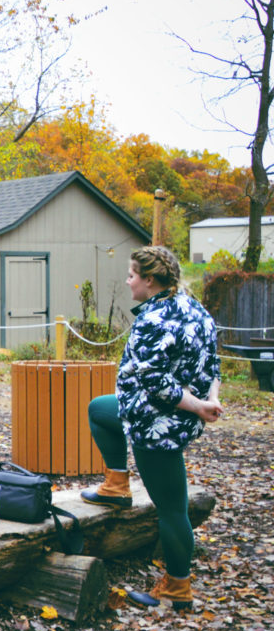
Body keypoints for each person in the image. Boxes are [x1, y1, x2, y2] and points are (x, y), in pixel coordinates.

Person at [81, 246, 221, 611]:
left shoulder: (154, 320)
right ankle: (116, 485)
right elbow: (214, 364)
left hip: (154, 425)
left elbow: (158, 383)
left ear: (150, 280)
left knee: (172, 508)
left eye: (131, 275)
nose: (127, 282)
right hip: (142, 411)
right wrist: (209, 401)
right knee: (99, 409)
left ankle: (177, 587)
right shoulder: (195, 308)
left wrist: (199, 405)